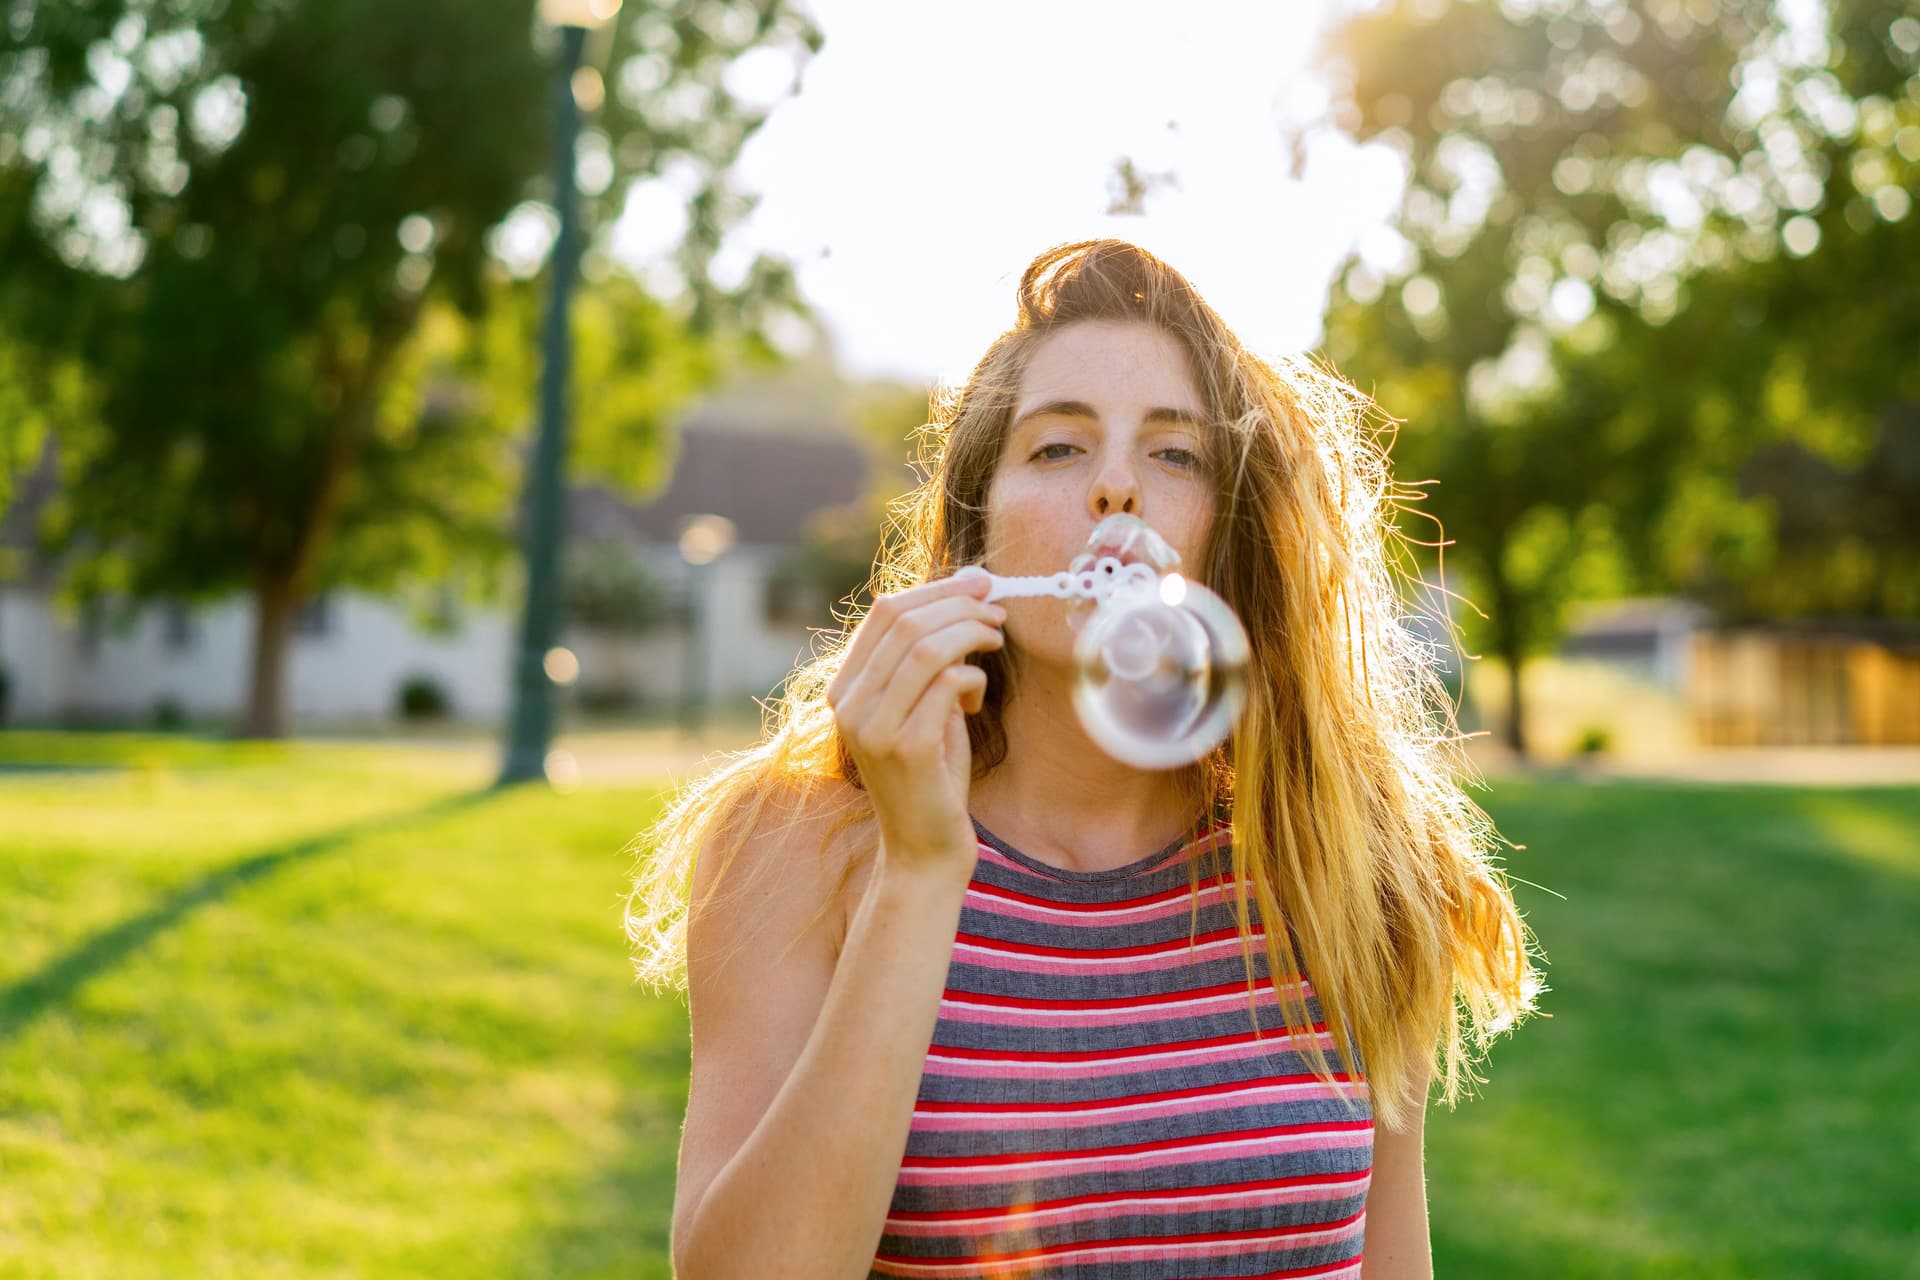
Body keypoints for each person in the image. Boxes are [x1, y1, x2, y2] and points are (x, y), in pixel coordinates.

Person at [627, 239, 1540, 1279]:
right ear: (978, 534)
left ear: (1228, 533)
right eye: (1058, 449)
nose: (1116, 488)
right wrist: (924, 868)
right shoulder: (805, 844)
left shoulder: (1342, 850)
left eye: (1175, 454)